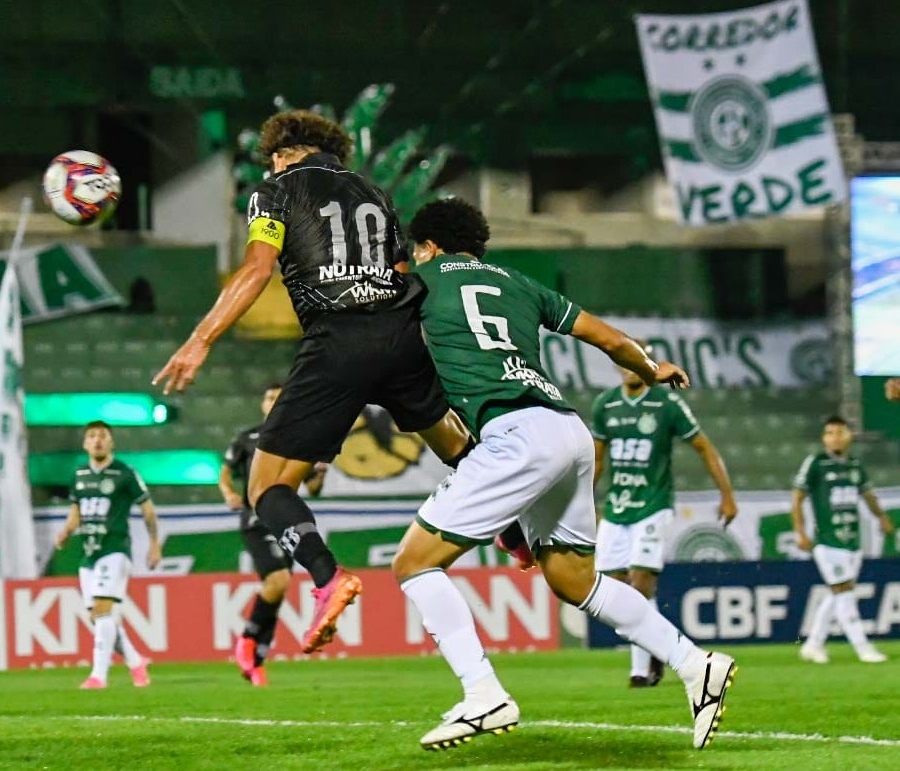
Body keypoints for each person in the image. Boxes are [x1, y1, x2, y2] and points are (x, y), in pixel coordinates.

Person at [391, 198, 737, 752]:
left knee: (413, 562)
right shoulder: (521, 284)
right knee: (574, 579)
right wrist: (653, 369)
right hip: (567, 429)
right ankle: (697, 664)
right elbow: (610, 339)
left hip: (514, 434)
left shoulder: (419, 279)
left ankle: (483, 693)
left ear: (428, 245)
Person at [153, 110, 473, 653]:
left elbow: (257, 269)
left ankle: (328, 578)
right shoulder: (374, 191)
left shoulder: (275, 191)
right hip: (399, 334)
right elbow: (400, 273)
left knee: (266, 487)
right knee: (459, 451)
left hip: (337, 341)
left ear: (281, 153)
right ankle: (519, 531)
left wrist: (200, 339)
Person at [592, 349, 738, 687]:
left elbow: (705, 447)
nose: (632, 368)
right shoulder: (606, 405)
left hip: (653, 505)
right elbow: (598, 462)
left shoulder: (666, 403)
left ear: (650, 365)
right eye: (627, 360)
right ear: (620, 364)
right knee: (614, 591)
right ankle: (658, 647)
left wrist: (727, 495)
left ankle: (640, 671)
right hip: (616, 508)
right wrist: (587, 503)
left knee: (641, 582)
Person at [219, 383, 327, 685]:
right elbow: (225, 472)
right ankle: (247, 640)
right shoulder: (247, 438)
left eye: (278, 396)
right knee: (277, 581)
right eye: (268, 396)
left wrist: (321, 470)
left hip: (285, 520)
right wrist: (228, 492)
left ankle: (257, 660)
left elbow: (314, 489)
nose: (273, 401)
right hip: (255, 519)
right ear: (262, 404)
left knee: (280, 589)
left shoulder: (298, 439)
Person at [54, 421, 162, 689]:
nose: (97, 440)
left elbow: (147, 509)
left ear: (111, 441)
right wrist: (66, 531)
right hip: (88, 553)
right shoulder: (79, 475)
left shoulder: (124, 473)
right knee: (100, 617)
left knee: (103, 610)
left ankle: (98, 676)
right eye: (92, 436)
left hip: (114, 550)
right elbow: (76, 511)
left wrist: (154, 543)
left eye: (102, 436)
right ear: (85, 443)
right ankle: (136, 662)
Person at [793, 415, 894, 664]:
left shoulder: (855, 466)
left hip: (852, 543)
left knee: (837, 593)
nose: (835, 437)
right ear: (824, 438)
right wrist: (800, 531)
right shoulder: (816, 463)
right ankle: (863, 648)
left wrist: (881, 517)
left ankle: (813, 644)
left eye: (840, 432)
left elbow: (868, 495)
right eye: (830, 433)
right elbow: (797, 498)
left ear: (849, 435)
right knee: (844, 591)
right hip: (827, 542)